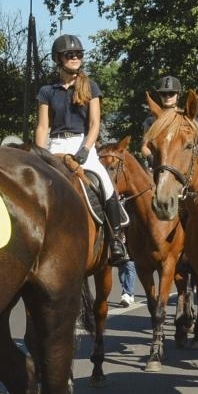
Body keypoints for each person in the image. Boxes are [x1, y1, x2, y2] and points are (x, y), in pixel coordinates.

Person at [35, 35, 130, 267]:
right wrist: (38, 154)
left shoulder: (91, 87)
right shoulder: (47, 91)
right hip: (54, 145)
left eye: (78, 54)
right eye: (70, 55)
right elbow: (42, 126)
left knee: (105, 184)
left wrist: (86, 150)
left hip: (81, 144)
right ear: (59, 59)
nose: (75, 58)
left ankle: (116, 238)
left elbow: (95, 124)